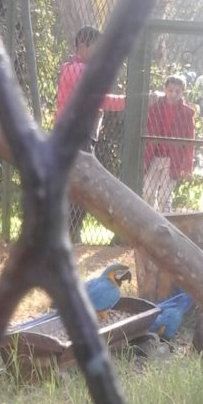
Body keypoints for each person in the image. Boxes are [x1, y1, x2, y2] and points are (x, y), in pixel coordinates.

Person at [56, 25, 125, 242]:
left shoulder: (78, 68)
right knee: (78, 186)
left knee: (78, 185)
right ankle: (68, 233)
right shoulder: (76, 70)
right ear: (83, 47)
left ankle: (69, 233)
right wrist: (129, 101)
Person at [143, 75, 195, 213]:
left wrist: (188, 166)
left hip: (173, 158)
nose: (173, 94)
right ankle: (151, 221)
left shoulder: (187, 113)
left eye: (177, 91)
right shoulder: (154, 108)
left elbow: (190, 140)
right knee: (147, 192)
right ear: (164, 89)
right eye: (170, 90)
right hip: (153, 156)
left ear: (183, 92)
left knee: (164, 197)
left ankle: (167, 225)